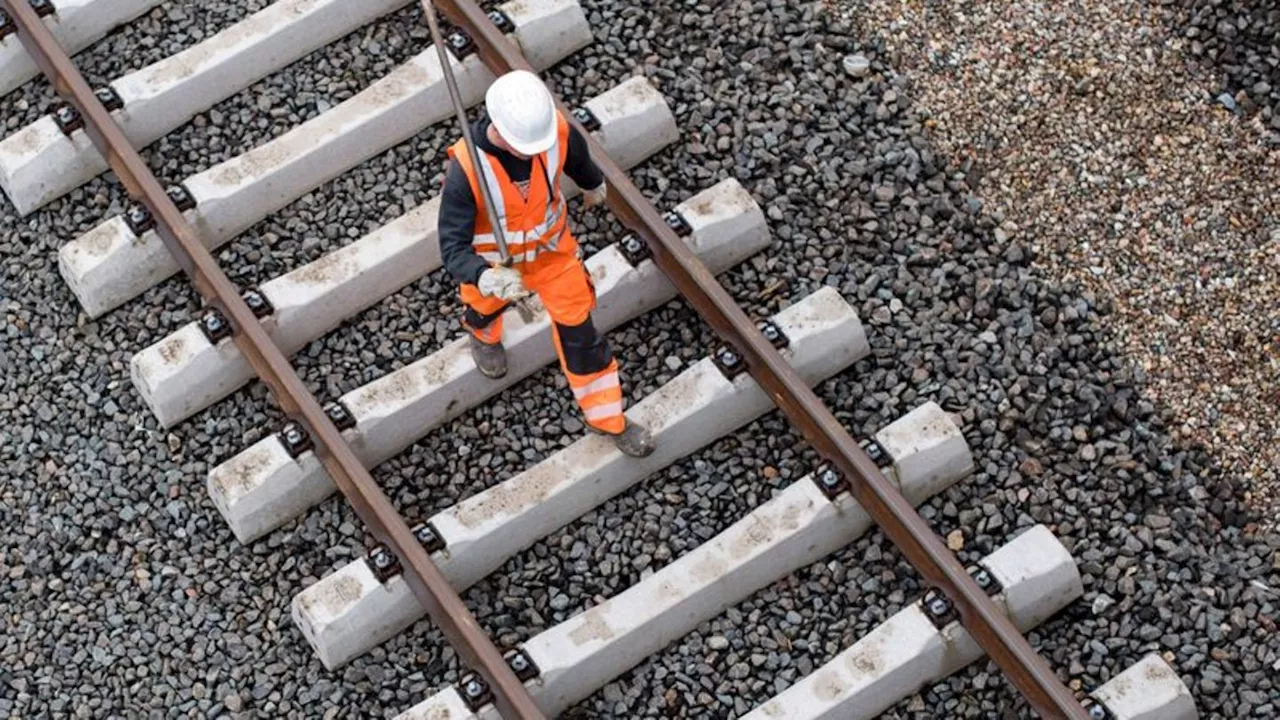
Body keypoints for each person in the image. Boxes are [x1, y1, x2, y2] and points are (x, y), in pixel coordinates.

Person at [437, 69, 654, 458]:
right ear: (499, 131)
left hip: (553, 257)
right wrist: (484, 277)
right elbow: (452, 248)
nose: (535, 151)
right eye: (525, 146)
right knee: (482, 309)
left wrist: (592, 183)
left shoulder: (551, 131)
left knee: (582, 335)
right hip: (496, 269)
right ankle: (483, 335)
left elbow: (575, 156)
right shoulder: (467, 171)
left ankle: (607, 418)